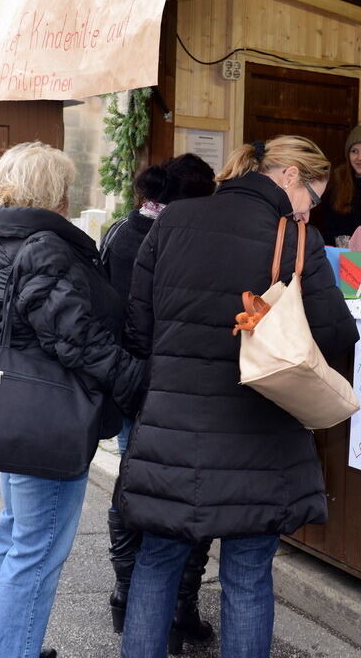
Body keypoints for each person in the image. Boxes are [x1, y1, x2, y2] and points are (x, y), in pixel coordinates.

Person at [116, 135, 359, 657]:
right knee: (247, 575)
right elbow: (336, 334)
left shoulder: (173, 220)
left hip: (171, 429)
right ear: (289, 176)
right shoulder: (295, 240)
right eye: (312, 197)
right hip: (259, 434)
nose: (309, 211)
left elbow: (137, 328)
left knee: (156, 563)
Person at [0, 141, 144, 658]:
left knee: (15, 540)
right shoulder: (44, 246)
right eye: (64, 186)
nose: (69, 196)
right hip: (49, 417)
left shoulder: (3, 237)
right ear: (48, 192)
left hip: (17, 410)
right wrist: (139, 381)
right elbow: (77, 339)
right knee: (37, 550)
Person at [100, 153, 216, 651]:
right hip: (172, 385)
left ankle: (130, 597)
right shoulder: (182, 239)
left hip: (132, 382)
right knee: (187, 495)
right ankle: (177, 608)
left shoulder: (123, 230)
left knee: (134, 486)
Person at [317, 121, 361, 245]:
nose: (360, 157)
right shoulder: (334, 187)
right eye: (354, 151)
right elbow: (325, 230)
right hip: (341, 254)